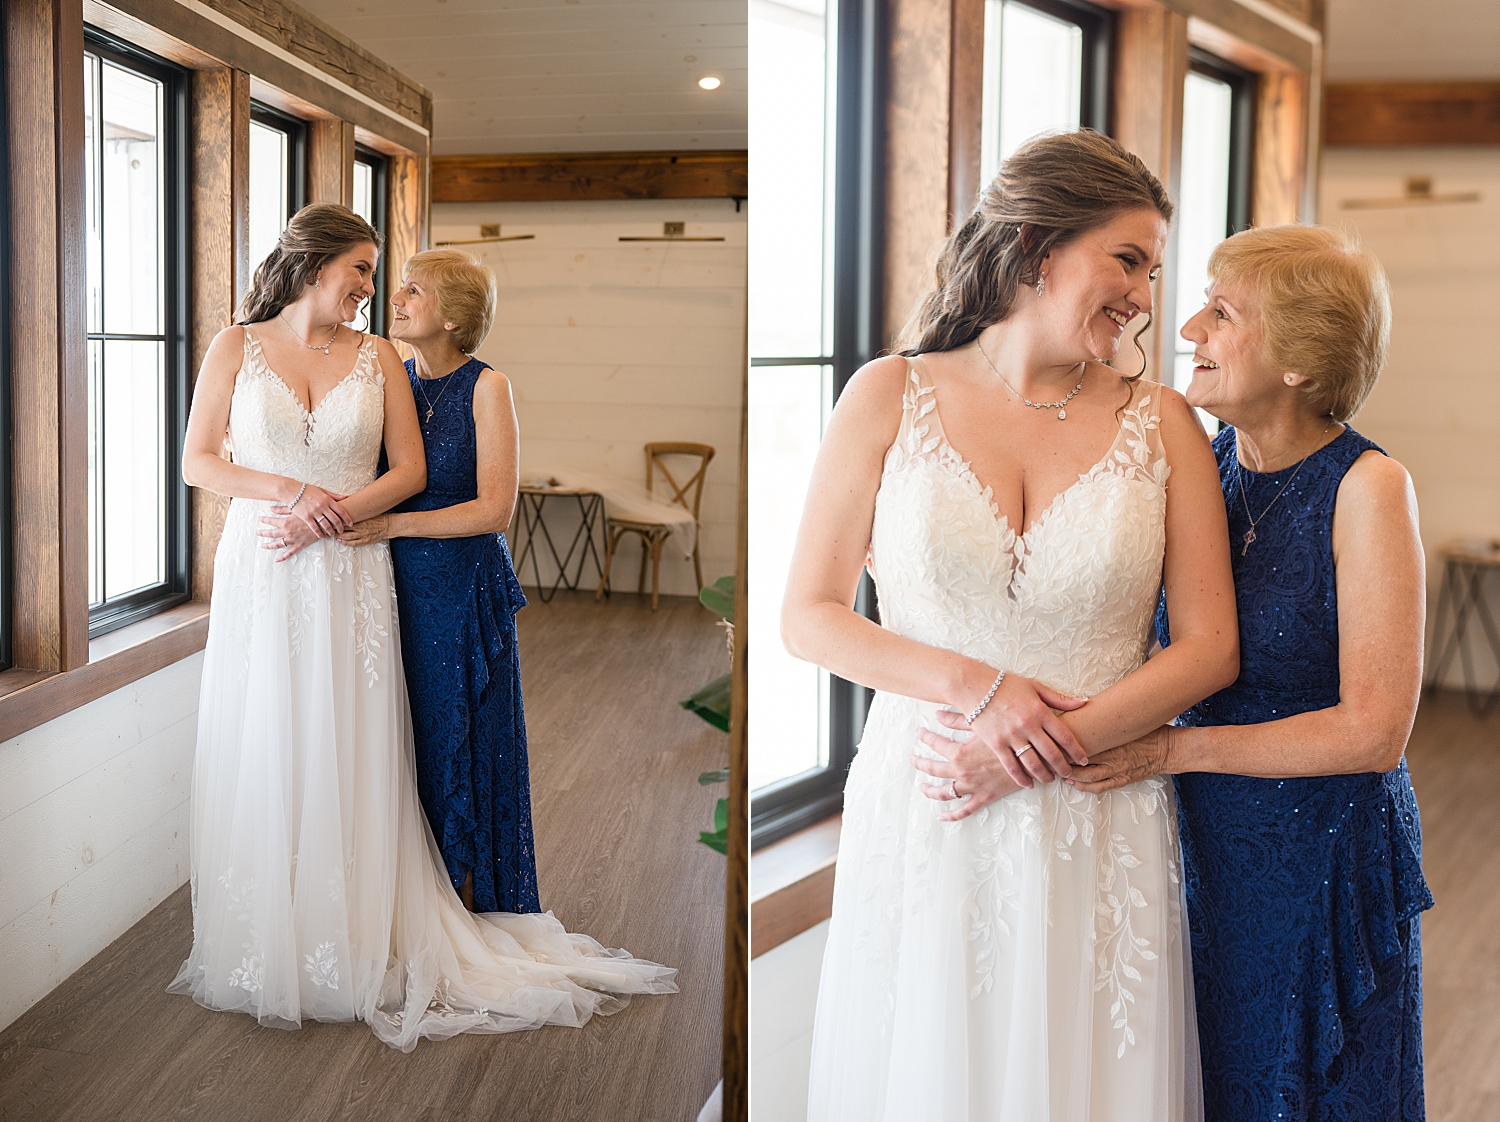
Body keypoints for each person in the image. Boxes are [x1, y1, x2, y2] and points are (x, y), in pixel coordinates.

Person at [783, 130, 1239, 1121]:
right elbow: (809, 619)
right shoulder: (886, 395)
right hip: (931, 802)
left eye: (1153, 271)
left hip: (1099, 805)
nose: (1146, 298)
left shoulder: (1163, 424)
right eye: (1127, 260)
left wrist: (1044, 747)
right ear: (1037, 246)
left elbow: (1210, 649)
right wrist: (977, 691)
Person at [172, 203, 676, 1051]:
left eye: (382, 276)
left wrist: (329, 517)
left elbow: (408, 471)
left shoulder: (379, 360)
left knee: (351, 740)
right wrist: (292, 500)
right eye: (363, 270)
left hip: (350, 566)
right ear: (312, 262)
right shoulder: (235, 345)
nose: (372, 289)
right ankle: (273, 939)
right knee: (269, 736)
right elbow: (198, 461)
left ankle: (360, 932)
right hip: (263, 566)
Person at [1068, 225, 1432, 1121]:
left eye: (1221, 312)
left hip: (1322, 852)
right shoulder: (1204, 462)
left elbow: (1374, 731)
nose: (1188, 327)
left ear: (1301, 362)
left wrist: (1166, 754)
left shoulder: (1368, 487)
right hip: (1198, 844)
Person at [324, 249, 535, 916]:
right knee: (401, 740)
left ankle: (470, 909)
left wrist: (390, 528)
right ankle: (413, 907)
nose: (396, 298)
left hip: (463, 591)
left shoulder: (486, 387)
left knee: (462, 740)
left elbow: (494, 511)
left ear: (451, 316)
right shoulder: (386, 380)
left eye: (413, 291)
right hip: (389, 590)